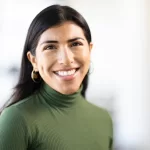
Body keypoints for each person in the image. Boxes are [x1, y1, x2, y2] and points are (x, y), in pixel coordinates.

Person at [0, 4, 113, 150]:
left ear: (89, 50)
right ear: (33, 60)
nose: (66, 60)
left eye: (75, 44)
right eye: (50, 47)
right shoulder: (16, 120)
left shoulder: (104, 119)